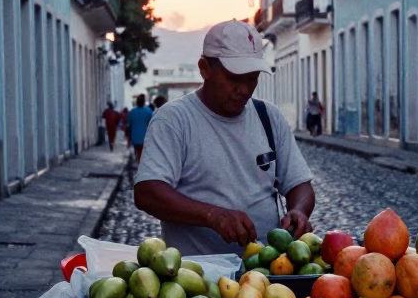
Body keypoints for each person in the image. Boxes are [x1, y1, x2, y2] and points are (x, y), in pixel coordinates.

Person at [133, 20, 315, 255]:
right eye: (234, 78)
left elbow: (300, 184)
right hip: (197, 277)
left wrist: (299, 211)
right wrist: (212, 215)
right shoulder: (174, 119)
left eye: (252, 78)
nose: (244, 89)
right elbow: (147, 192)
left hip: (264, 276)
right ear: (204, 68)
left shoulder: (269, 117)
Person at [127, 94, 154, 164]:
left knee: (137, 150)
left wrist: (128, 136)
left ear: (137, 102)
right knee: (142, 152)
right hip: (145, 136)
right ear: (144, 102)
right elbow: (152, 124)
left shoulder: (132, 111)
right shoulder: (148, 111)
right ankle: (140, 163)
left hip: (135, 135)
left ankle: (138, 161)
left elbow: (129, 124)